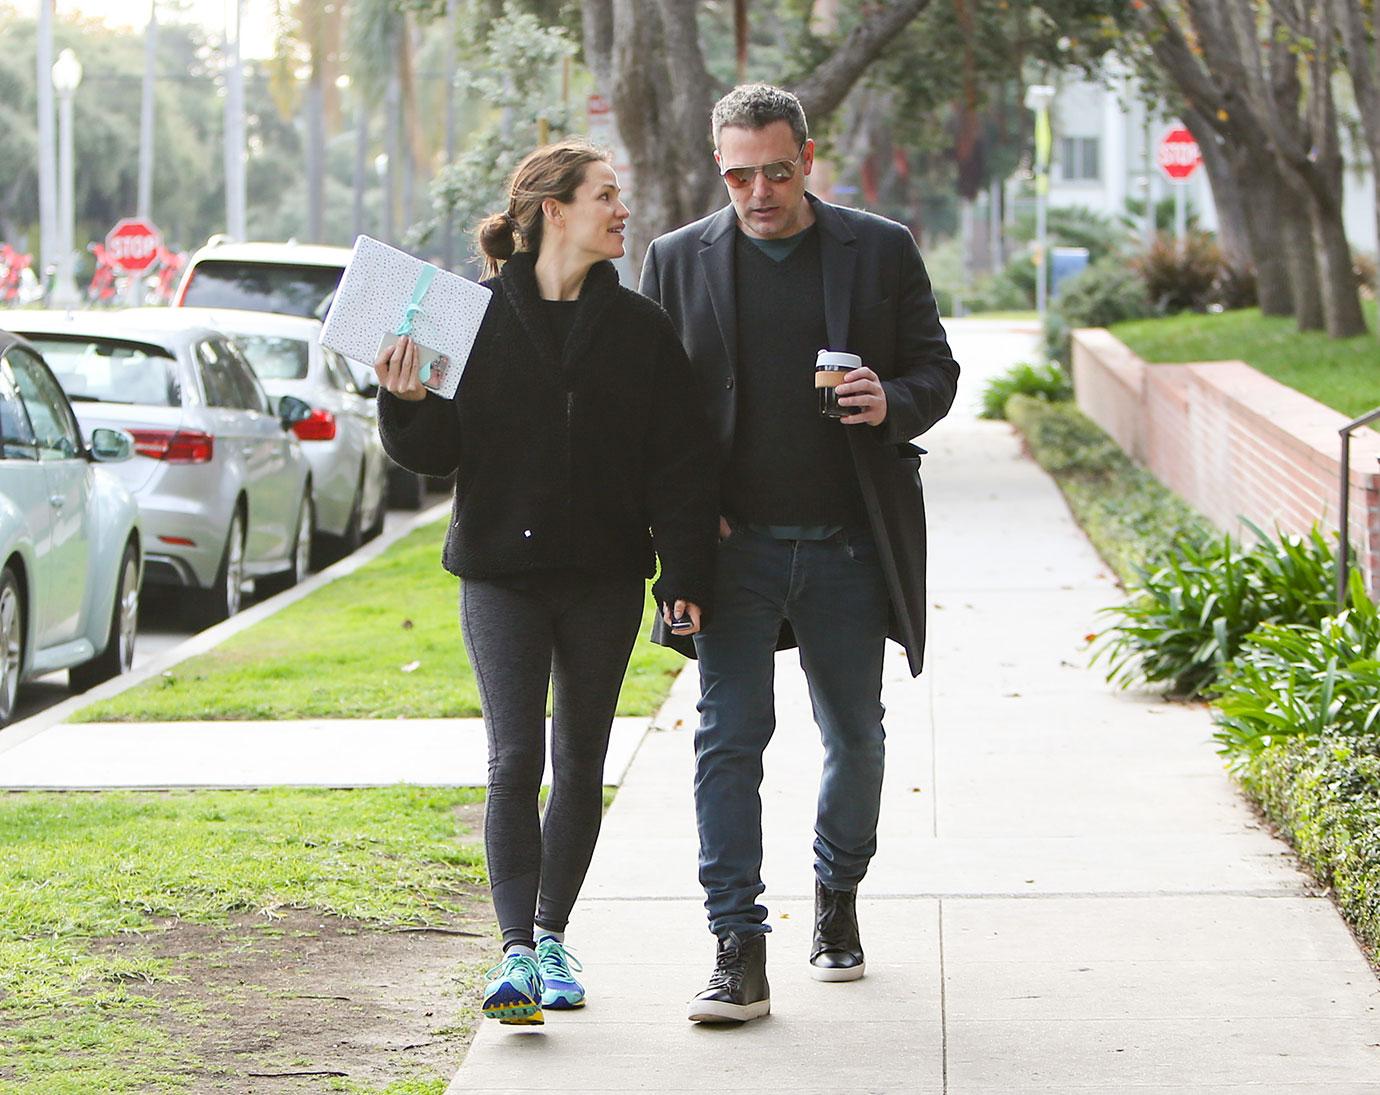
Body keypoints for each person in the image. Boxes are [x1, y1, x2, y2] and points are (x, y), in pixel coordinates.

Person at [375, 138, 717, 1027]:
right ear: (552, 210)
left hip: (604, 577)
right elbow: (435, 456)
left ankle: (554, 935)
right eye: (607, 194)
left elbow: (679, 465)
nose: (622, 209)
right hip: (499, 575)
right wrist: (404, 401)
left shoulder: (641, 329)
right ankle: (514, 951)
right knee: (514, 756)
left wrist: (681, 572)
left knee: (579, 761)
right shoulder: (472, 318)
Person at [639, 85, 960, 1023]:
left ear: (807, 158)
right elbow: (653, 415)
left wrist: (889, 399)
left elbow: (936, 369)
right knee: (728, 741)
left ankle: (836, 890)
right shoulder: (675, 259)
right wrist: (683, 530)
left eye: (776, 171)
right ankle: (736, 944)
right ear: (719, 169)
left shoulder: (880, 247)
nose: (758, 191)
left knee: (856, 737)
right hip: (730, 553)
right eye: (738, 174)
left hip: (849, 546)